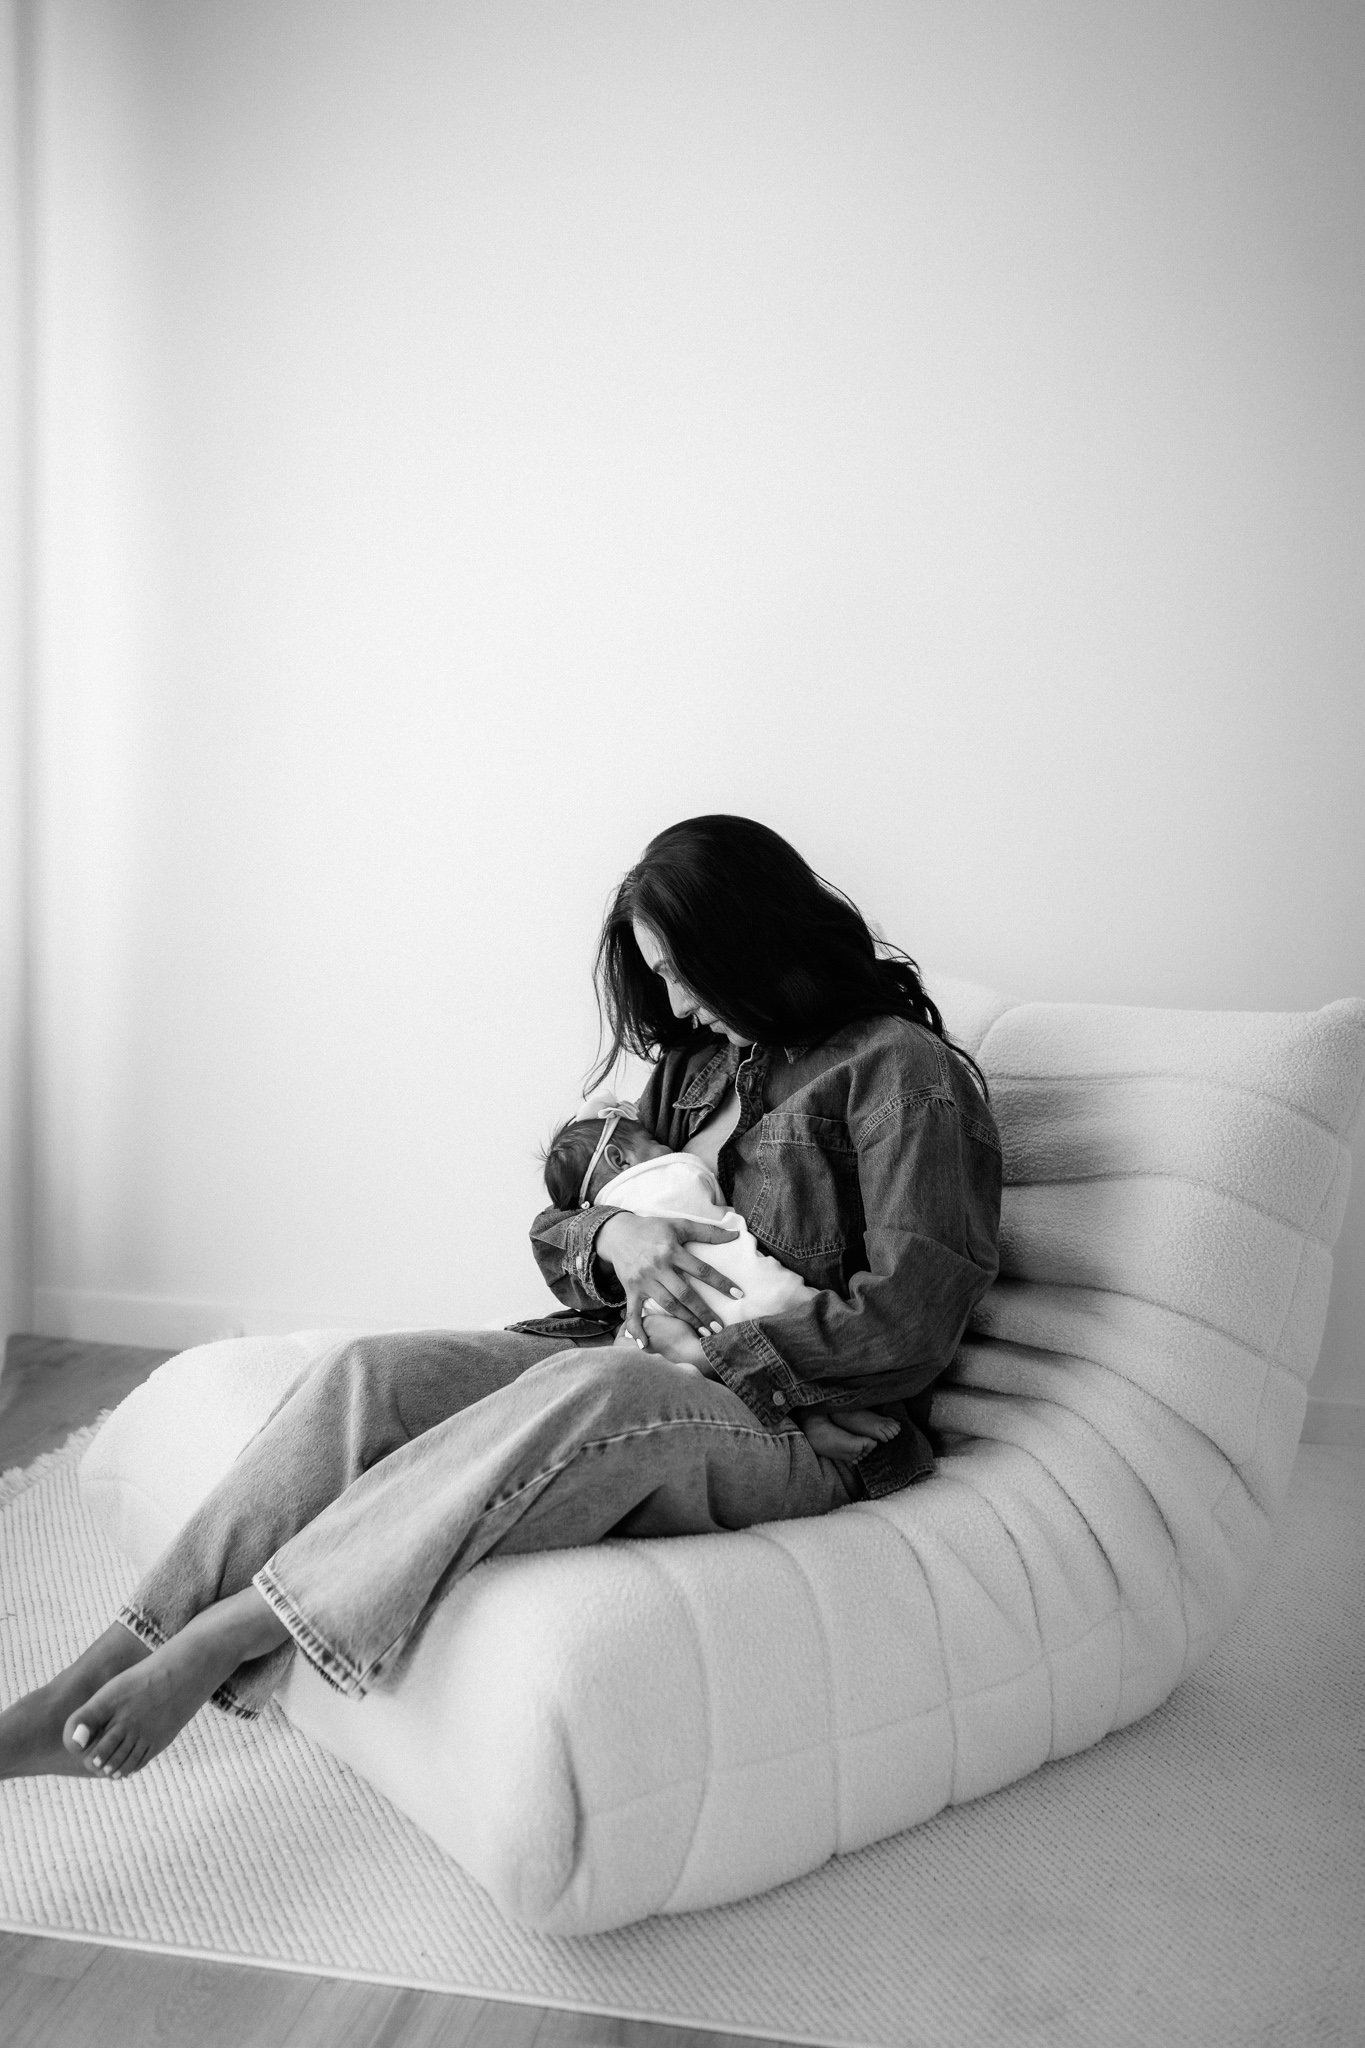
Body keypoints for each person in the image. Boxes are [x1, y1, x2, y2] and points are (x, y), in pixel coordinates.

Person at [0, 814, 1001, 1787]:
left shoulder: (902, 1077)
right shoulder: (699, 1072)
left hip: (806, 1428)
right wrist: (615, 1235)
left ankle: (233, 1632)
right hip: (626, 1351)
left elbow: (906, 1328)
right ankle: (96, 1670)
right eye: (658, 975)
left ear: (746, 940)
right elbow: (560, 1226)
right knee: (367, 1375)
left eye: (681, 971)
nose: (677, 1002)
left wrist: (708, 1352)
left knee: (604, 1387)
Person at [542, 1097, 827, 1352]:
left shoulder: (608, 1196)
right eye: (654, 1143)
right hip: (775, 1302)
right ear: (618, 1159)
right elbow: (544, 1231)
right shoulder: (676, 1154)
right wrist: (610, 1232)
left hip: (680, 1332)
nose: (665, 1146)